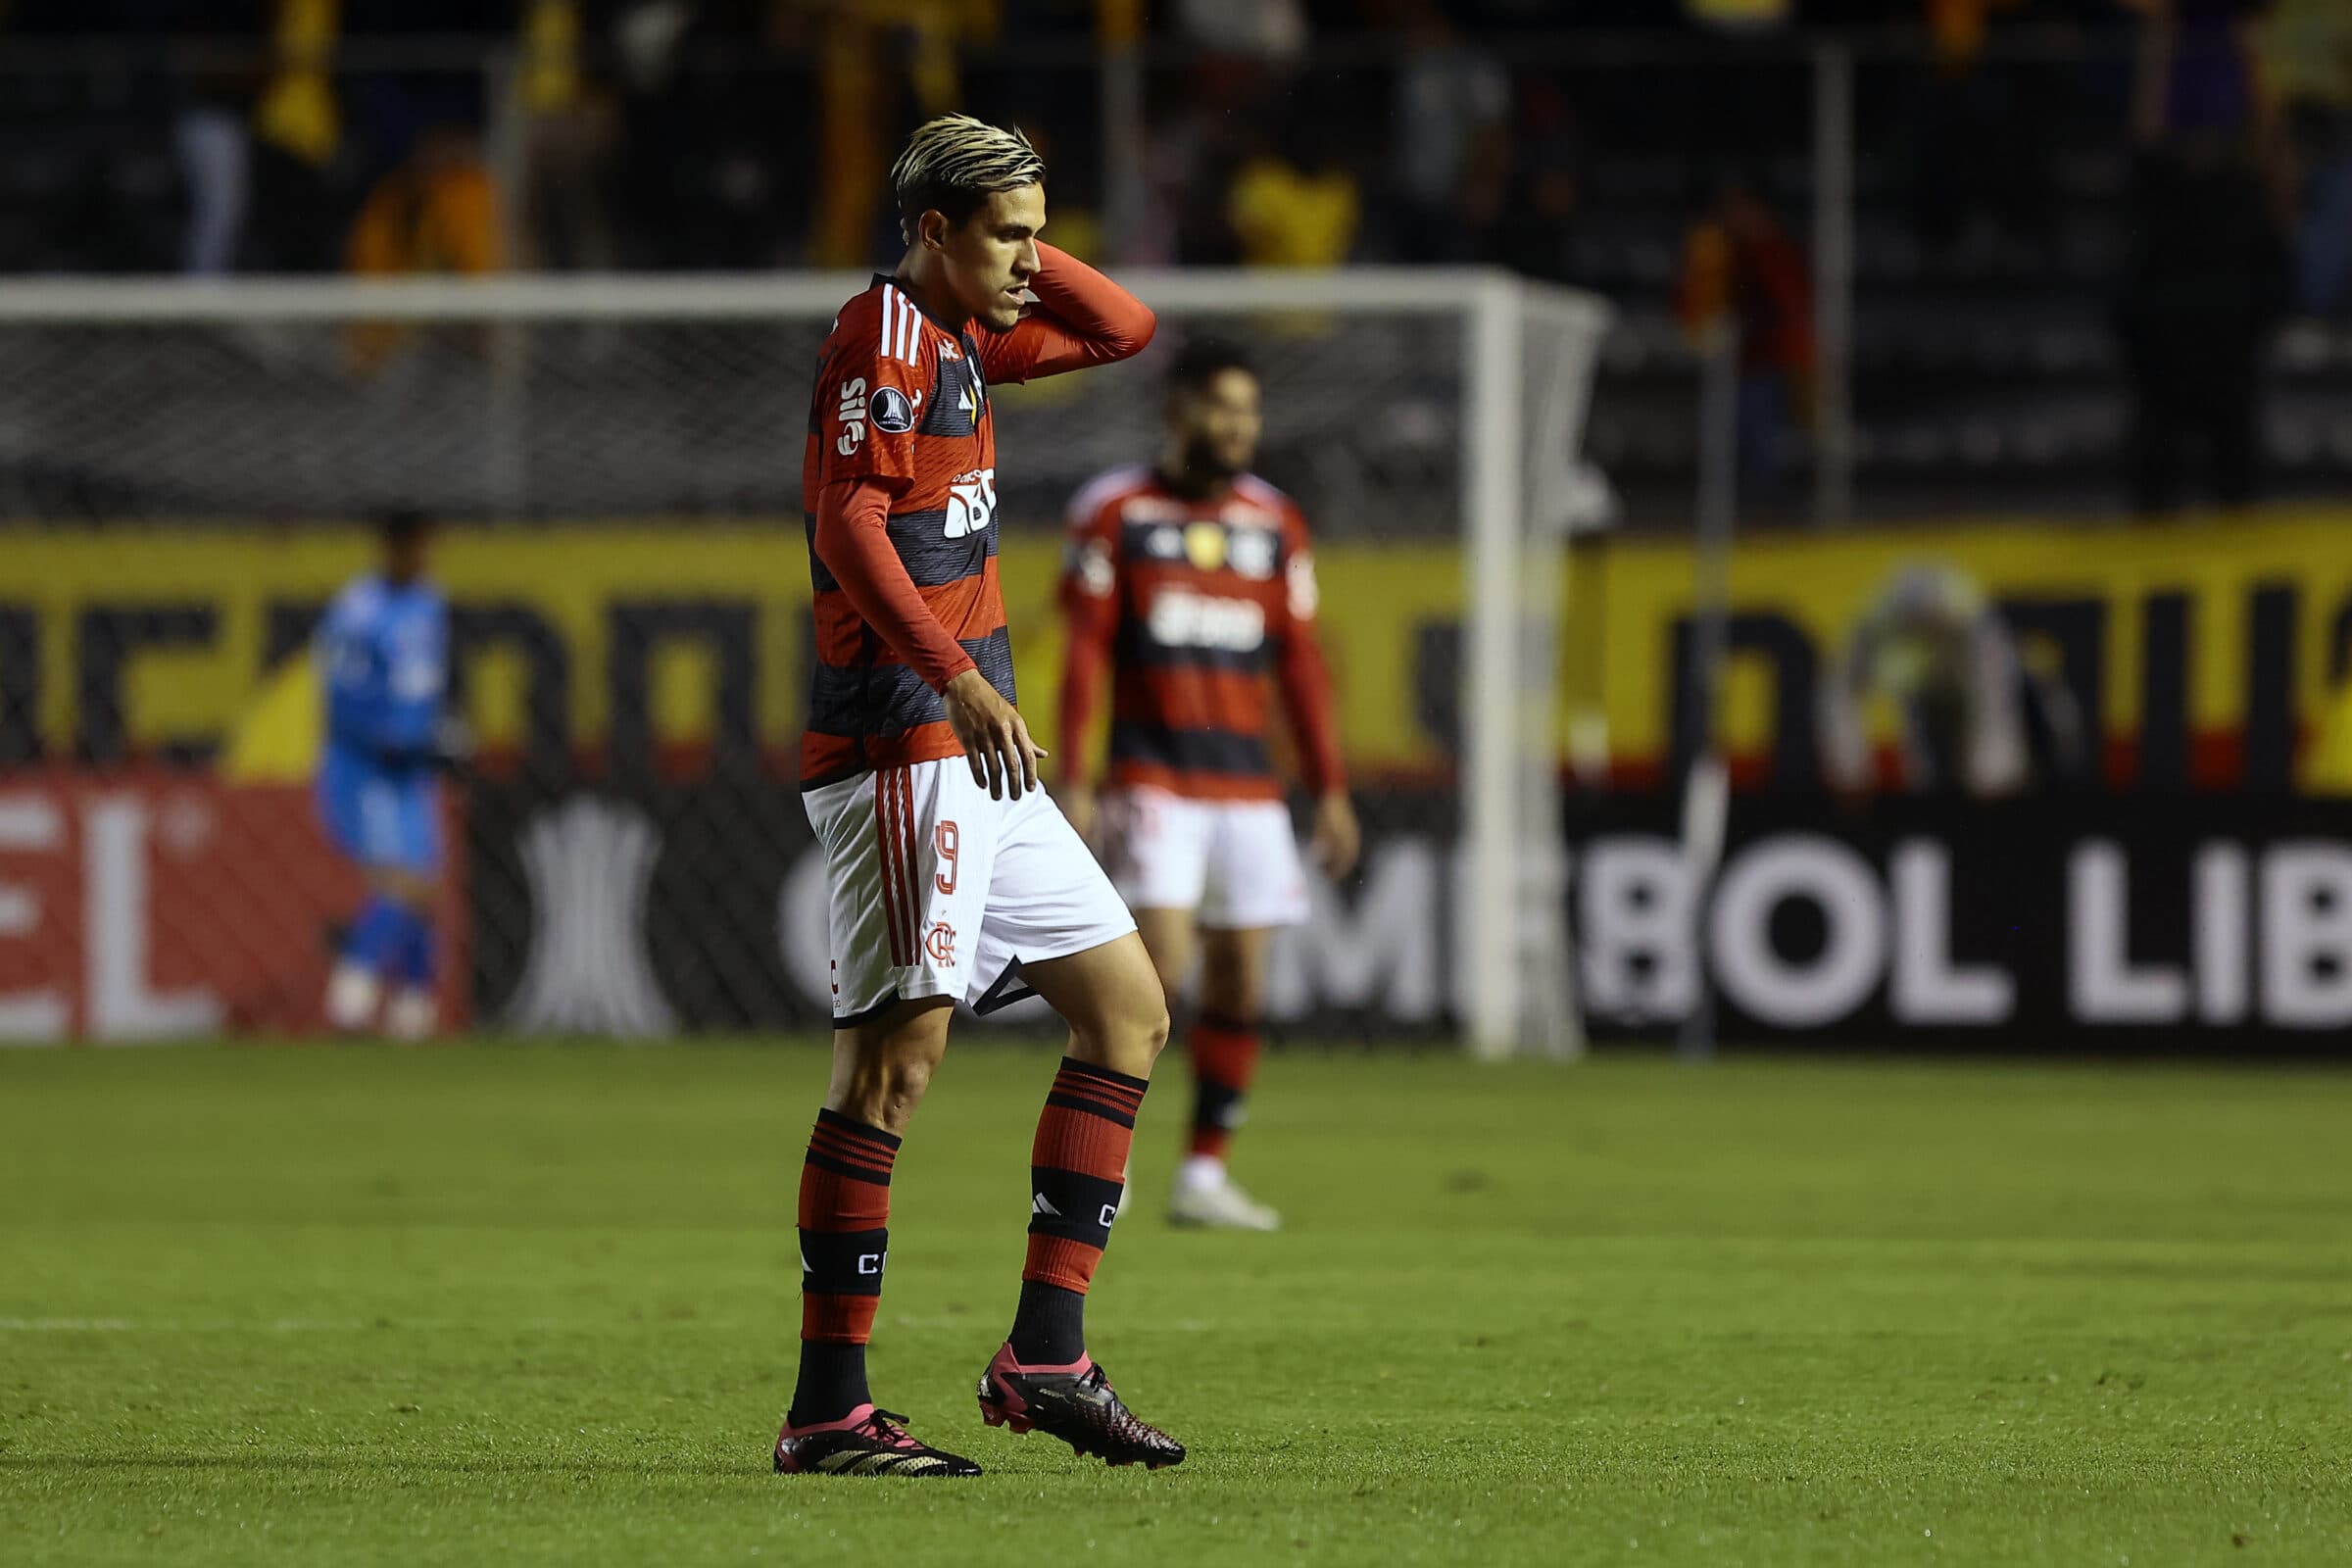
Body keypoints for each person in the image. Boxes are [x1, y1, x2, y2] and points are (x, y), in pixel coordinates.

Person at [775, 114, 1178, 1480]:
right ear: (930, 233)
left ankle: (1046, 1358)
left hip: (974, 749)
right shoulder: (883, 335)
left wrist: (1021, 249)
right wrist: (953, 676)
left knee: (1124, 1013)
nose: (1034, 260)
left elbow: (1125, 325)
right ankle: (829, 1411)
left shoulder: (954, 340)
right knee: (892, 1069)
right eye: (1006, 233)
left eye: (1040, 230)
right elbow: (850, 524)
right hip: (908, 738)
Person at [1055, 339, 1358, 1232]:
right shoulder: (1115, 511)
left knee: (1241, 987)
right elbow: (1083, 653)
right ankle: (1111, 1167)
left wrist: (1331, 789)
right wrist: (1075, 777)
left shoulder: (1274, 524)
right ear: (1178, 409)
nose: (1238, 427)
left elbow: (1299, 667)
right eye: (1222, 407)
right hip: (1155, 782)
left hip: (1249, 791)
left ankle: (1203, 1174)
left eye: (1248, 411)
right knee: (1155, 982)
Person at [315, 510, 455, 1041]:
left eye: (428, 548)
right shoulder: (358, 612)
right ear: (391, 549)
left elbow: (424, 686)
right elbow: (341, 697)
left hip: (412, 766)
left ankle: (413, 1010)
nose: (423, 558)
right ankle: (350, 995)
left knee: (425, 883)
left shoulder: (429, 603)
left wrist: (437, 733)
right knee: (402, 883)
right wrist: (389, 737)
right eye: (415, 548)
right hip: (366, 766)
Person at [1818, 564, 2084, 801]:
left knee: (2014, 756)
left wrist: (1994, 774)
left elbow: (1995, 701)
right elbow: (1839, 689)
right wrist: (1850, 770)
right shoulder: (1881, 631)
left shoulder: (1982, 637)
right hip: (1949, 696)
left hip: (2017, 703)